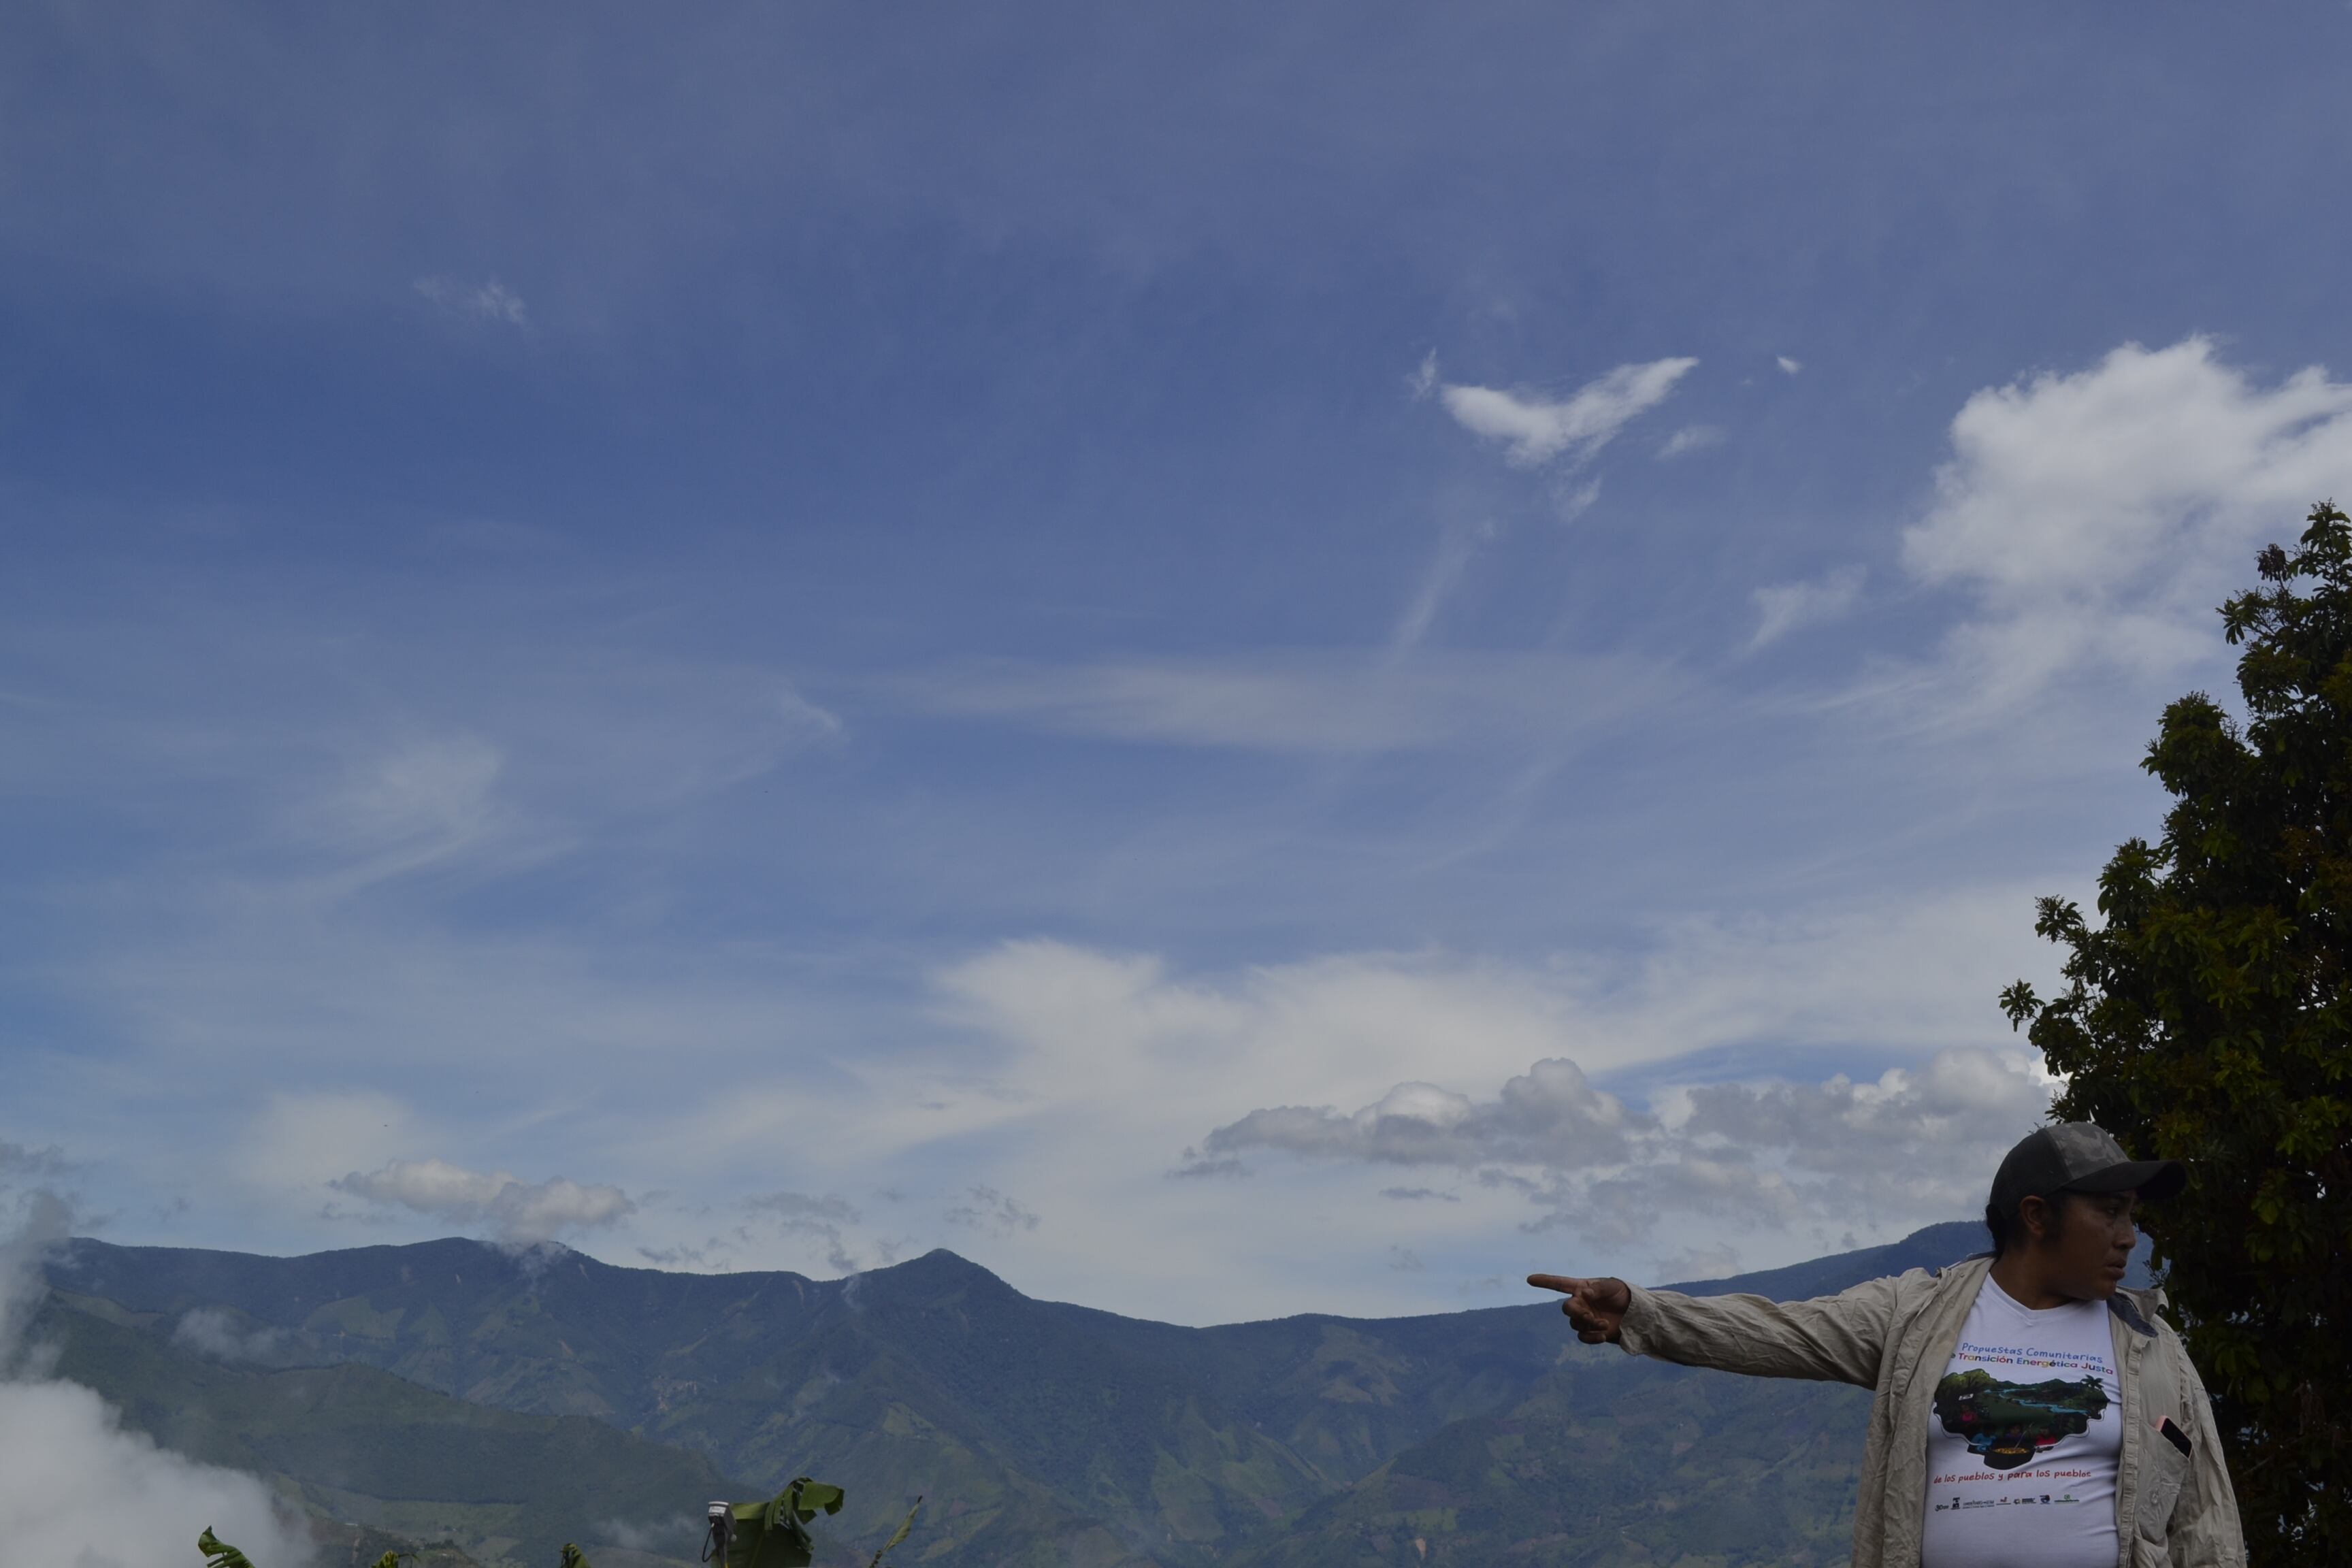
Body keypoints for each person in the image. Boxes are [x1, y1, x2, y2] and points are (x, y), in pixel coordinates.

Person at [1529, 1122, 2244, 1568]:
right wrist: (1642, 1312)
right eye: (2109, 1213)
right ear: (2037, 1217)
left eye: (2132, 1217)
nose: (2129, 1237)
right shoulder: (1918, 1316)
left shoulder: (2154, 1349)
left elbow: (2205, 1526)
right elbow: (1781, 1331)